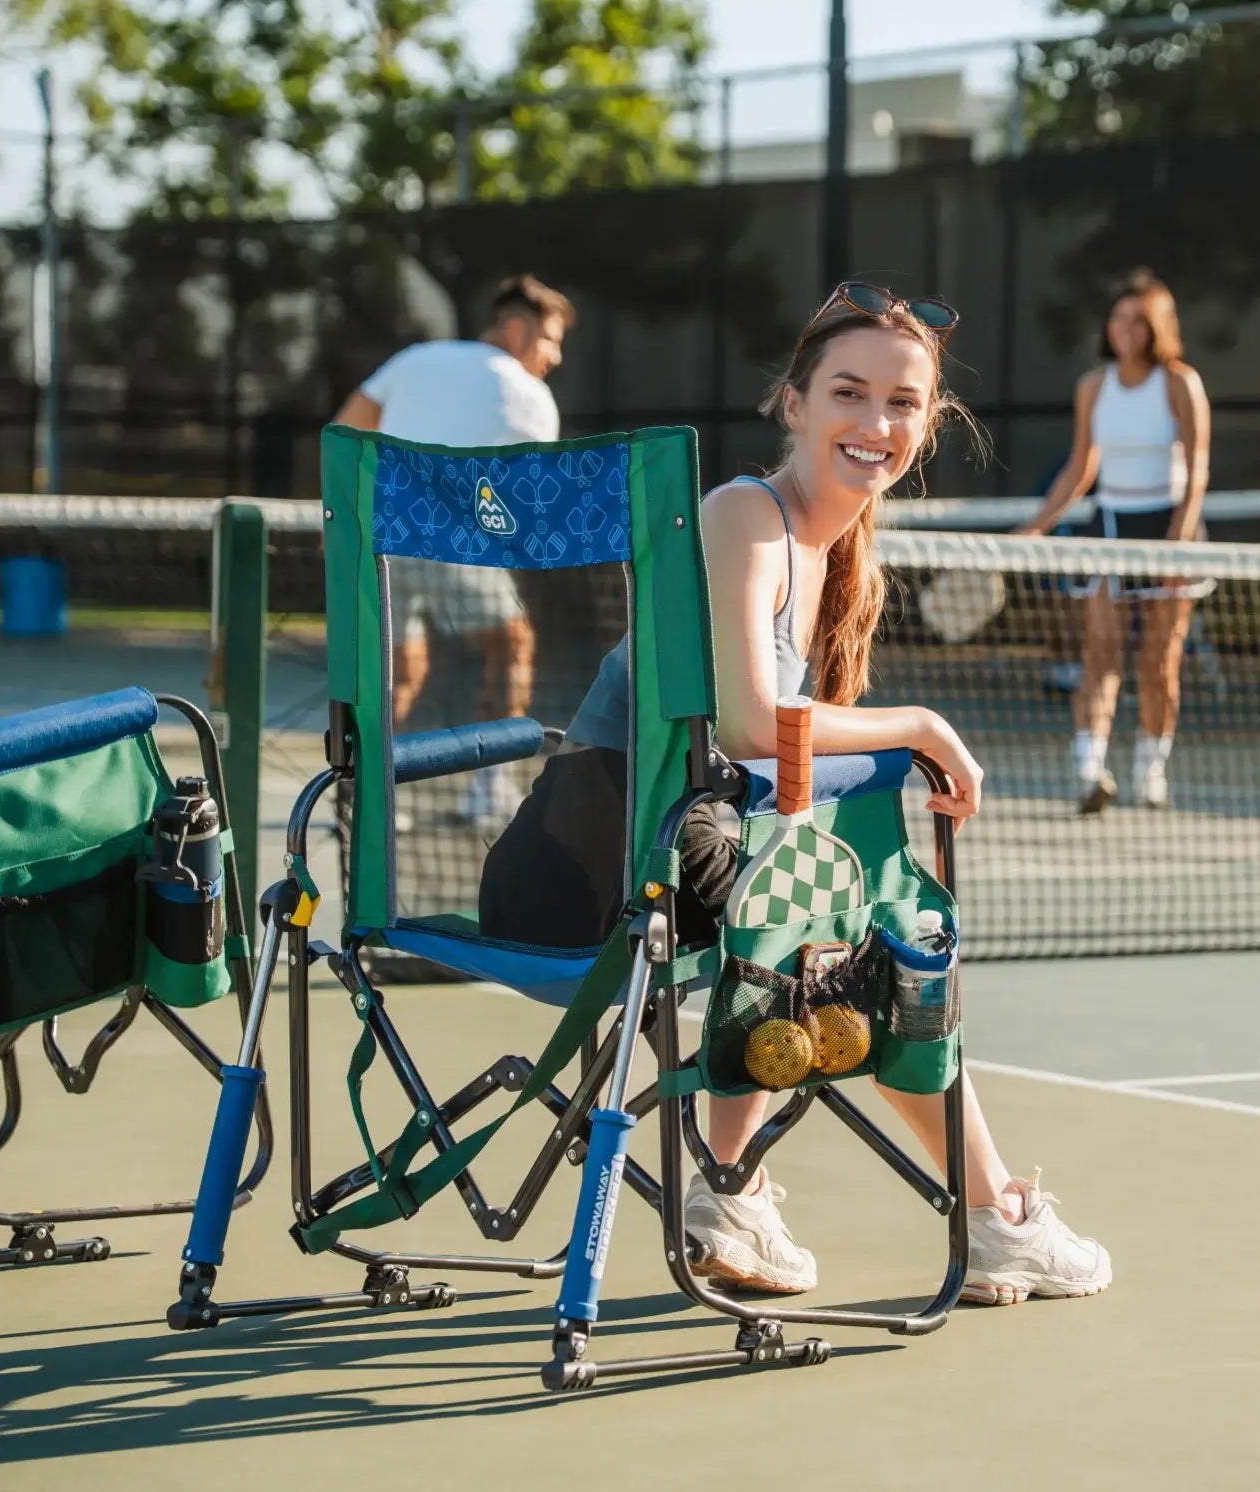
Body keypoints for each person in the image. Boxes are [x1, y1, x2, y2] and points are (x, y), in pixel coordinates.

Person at [480, 281, 1111, 1307]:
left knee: (854, 919)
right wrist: (920, 727)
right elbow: (744, 724)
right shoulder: (743, 515)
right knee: (881, 942)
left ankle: (743, 1188)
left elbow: (787, 770)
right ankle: (990, 1215)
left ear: (929, 426)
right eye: (849, 394)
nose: (875, 423)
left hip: (688, 873)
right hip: (587, 869)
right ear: (794, 404)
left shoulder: (843, 561)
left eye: (903, 403)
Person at [333, 275, 575, 821]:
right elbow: (528, 499)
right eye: (548, 340)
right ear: (515, 331)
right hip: (449, 541)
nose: (555, 356)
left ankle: (366, 795)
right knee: (512, 644)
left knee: (397, 673)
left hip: (380, 540)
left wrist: (345, 531)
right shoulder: (530, 394)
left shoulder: (416, 358)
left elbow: (347, 432)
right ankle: (489, 790)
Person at [1019, 269, 1211, 813]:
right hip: (1109, 529)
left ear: (1156, 327)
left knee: (1159, 662)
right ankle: (1089, 773)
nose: (1124, 328)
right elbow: (1081, 467)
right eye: (1118, 318)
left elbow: (1197, 468)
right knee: (1099, 655)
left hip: (1170, 526)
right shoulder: (1093, 387)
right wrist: (1037, 525)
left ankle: (1151, 771)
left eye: (1137, 320)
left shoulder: (1180, 382)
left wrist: (1177, 541)